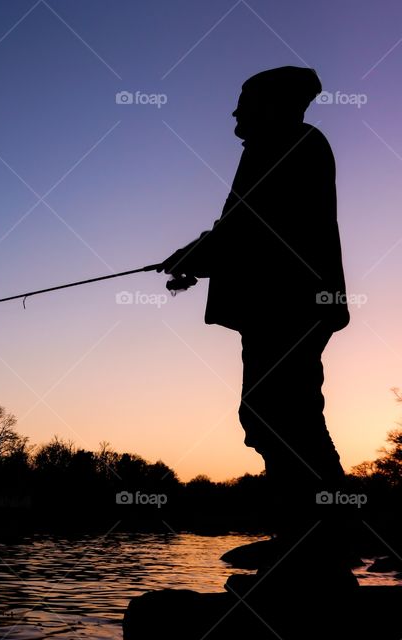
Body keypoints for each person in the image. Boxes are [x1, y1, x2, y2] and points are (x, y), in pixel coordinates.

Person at [159, 66, 356, 594]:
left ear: (272, 104)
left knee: (283, 415)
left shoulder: (290, 143)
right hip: (285, 304)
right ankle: (307, 533)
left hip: (289, 305)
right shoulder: (286, 143)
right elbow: (245, 227)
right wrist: (199, 255)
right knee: (278, 415)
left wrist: (199, 254)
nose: (234, 113)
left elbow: (254, 227)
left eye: (243, 102)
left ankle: (318, 537)